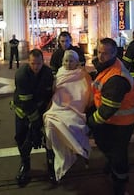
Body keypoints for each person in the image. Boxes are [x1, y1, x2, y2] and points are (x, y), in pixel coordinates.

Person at [86, 38, 134, 195]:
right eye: (99, 52)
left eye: (106, 53)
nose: (101, 56)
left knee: (118, 153)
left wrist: (90, 123)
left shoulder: (116, 78)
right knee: (105, 145)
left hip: (122, 122)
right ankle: (111, 164)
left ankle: (120, 184)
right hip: (113, 119)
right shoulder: (108, 67)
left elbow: (108, 108)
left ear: (115, 53)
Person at [43, 50, 92, 183]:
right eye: (66, 61)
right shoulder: (59, 72)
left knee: (72, 123)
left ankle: (73, 153)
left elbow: (84, 93)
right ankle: (60, 156)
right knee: (50, 123)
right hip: (58, 107)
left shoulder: (82, 75)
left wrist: (77, 102)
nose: (68, 63)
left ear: (76, 62)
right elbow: (56, 91)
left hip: (75, 108)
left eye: (71, 61)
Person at [10, 49, 54, 187]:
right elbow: (26, 102)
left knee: (49, 139)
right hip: (23, 110)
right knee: (22, 138)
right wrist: (36, 123)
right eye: (33, 63)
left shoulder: (47, 73)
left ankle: (51, 166)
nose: (36, 67)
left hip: (41, 109)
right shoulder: (21, 74)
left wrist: (43, 117)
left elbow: (48, 95)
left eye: (39, 63)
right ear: (28, 62)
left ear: (43, 62)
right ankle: (25, 165)